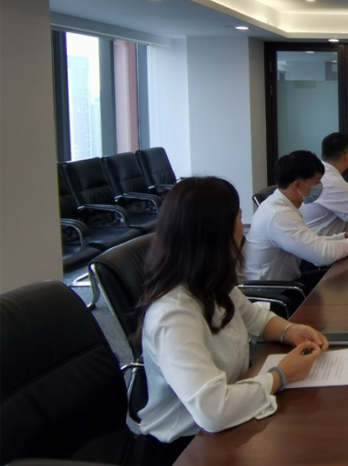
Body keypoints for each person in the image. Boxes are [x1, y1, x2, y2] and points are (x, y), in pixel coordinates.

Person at [137, 176, 328, 452]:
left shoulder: (209, 281)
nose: (243, 226)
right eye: (238, 217)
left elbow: (255, 318)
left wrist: (291, 330)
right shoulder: (173, 314)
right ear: (217, 233)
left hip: (234, 415)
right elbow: (213, 411)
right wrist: (281, 375)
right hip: (186, 445)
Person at [243, 150, 348, 290]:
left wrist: (344, 236)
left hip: (288, 281)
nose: (320, 186)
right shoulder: (279, 215)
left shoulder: (281, 204)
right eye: (317, 182)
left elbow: (312, 242)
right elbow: (323, 255)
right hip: (276, 292)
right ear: (297, 185)